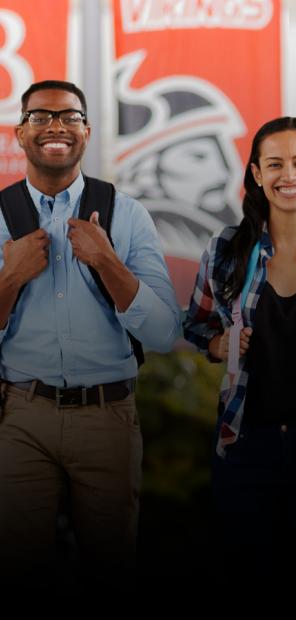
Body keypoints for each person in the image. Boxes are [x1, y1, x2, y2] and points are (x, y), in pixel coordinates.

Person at [0, 80, 180, 587]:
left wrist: (107, 261)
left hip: (108, 419)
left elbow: (166, 332)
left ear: (87, 131)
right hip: (20, 419)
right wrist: (10, 276)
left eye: (69, 116)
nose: (55, 125)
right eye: (40, 116)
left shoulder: (128, 215)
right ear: (20, 133)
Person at [183, 116, 296, 588]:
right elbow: (196, 324)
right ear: (256, 174)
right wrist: (218, 344)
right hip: (245, 442)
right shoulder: (226, 249)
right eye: (275, 164)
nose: (290, 175)